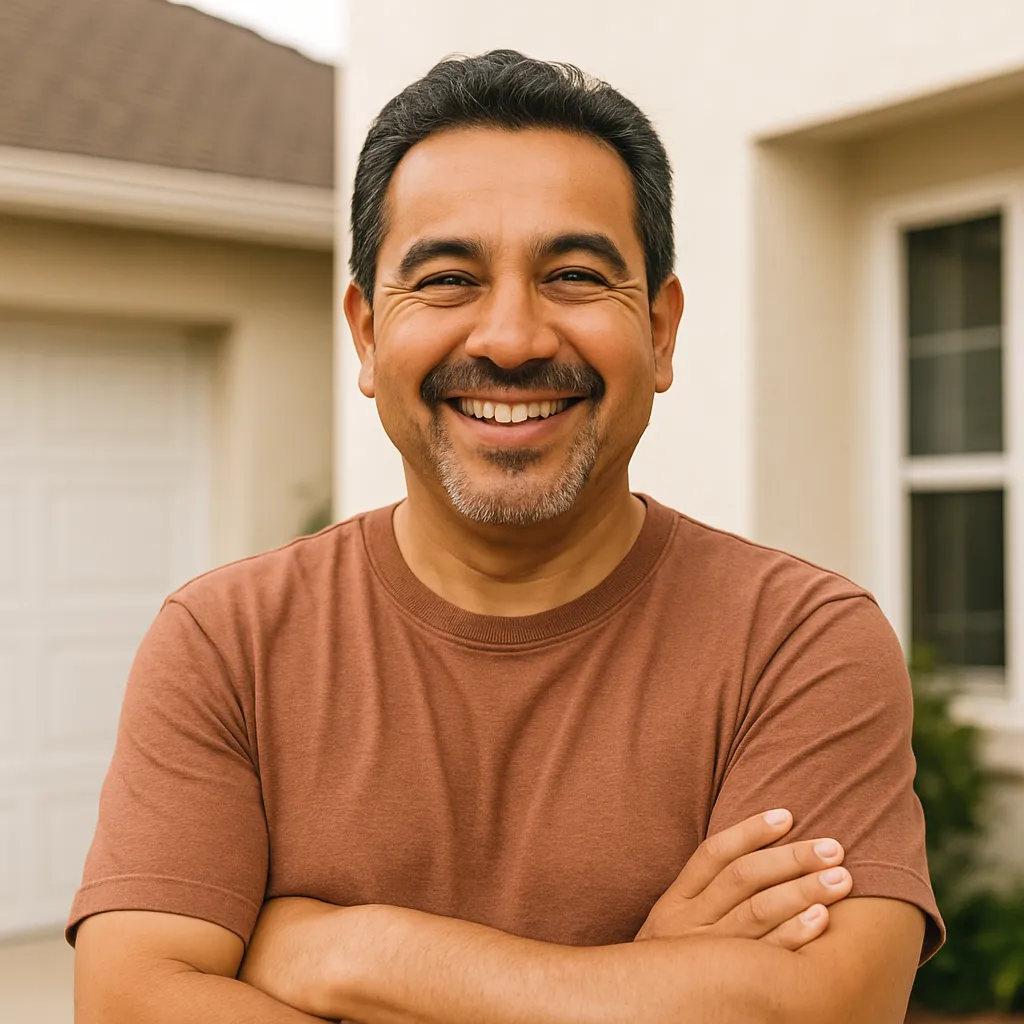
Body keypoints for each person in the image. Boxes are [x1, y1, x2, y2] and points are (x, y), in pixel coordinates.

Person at [70, 50, 942, 1023]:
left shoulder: (796, 641)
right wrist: (643, 982)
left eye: (572, 274)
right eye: (447, 278)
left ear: (659, 331)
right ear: (365, 334)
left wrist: (352, 950)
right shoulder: (227, 643)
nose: (513, 339)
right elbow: (128, 1002)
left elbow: (820, 1008)